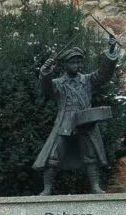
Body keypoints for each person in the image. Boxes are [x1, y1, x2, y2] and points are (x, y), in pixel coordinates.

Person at [33, 40, 120, 195]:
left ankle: (95, 187)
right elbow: (46, 90)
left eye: (79, 62)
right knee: (53, 156)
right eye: (73, 62)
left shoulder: (87, 80)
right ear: (66, 64)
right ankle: (47, 188)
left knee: (90, 155)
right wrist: (45, 72)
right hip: (64, 122)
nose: (76, 65)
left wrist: (111, 51)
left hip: (84, 121)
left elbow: (104, 74)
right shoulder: (57, 83)